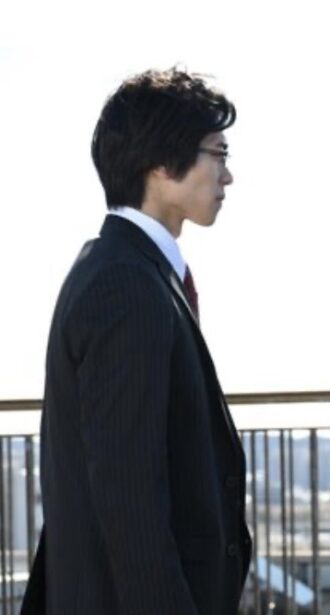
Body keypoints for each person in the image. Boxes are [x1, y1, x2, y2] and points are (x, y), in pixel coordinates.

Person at [22, 68, 251, 614]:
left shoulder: (126, 269)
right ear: (162, 164)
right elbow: (128, 495)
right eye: (218, 153)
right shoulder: (124, 284)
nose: (228, 175)